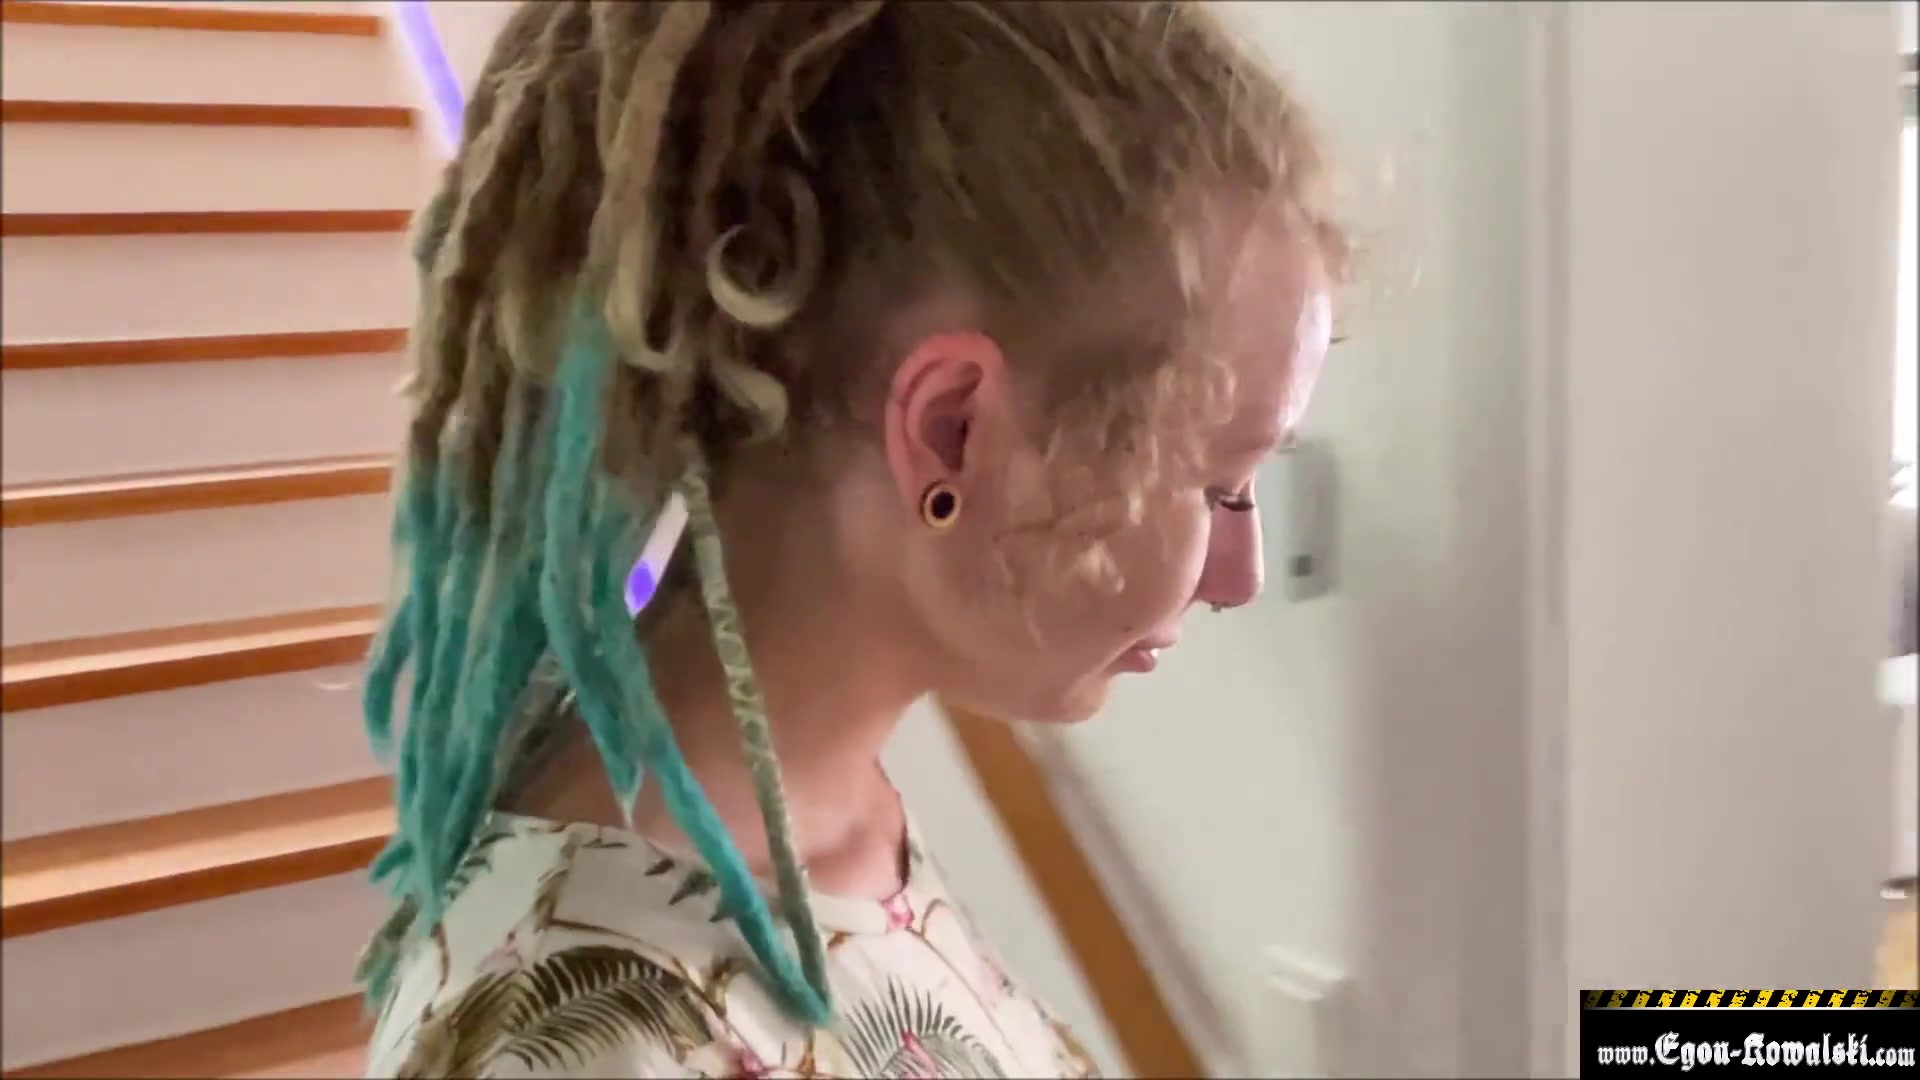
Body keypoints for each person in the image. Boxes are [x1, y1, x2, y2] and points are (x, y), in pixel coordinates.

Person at [357, 1, 1345, 1076]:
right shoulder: (587, 1042)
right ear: (951, 433)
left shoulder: (837, 819)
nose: (1239, 575)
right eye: (1219, 483)